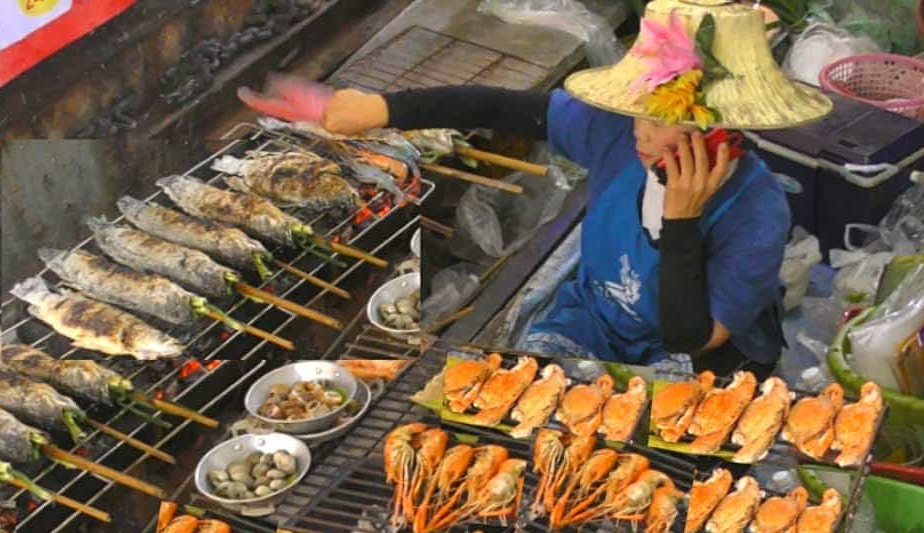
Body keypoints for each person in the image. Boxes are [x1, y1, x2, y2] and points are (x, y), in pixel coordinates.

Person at [245, 0, 832, 376]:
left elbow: (691, 339)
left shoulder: (755, 211)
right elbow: (502, 106)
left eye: (662, 123)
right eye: (639, 115)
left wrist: (681, 224)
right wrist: (377, 108)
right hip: (593, 319)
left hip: (687, 358)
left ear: (720, 136)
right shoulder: (615, 132)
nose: (641, 135)